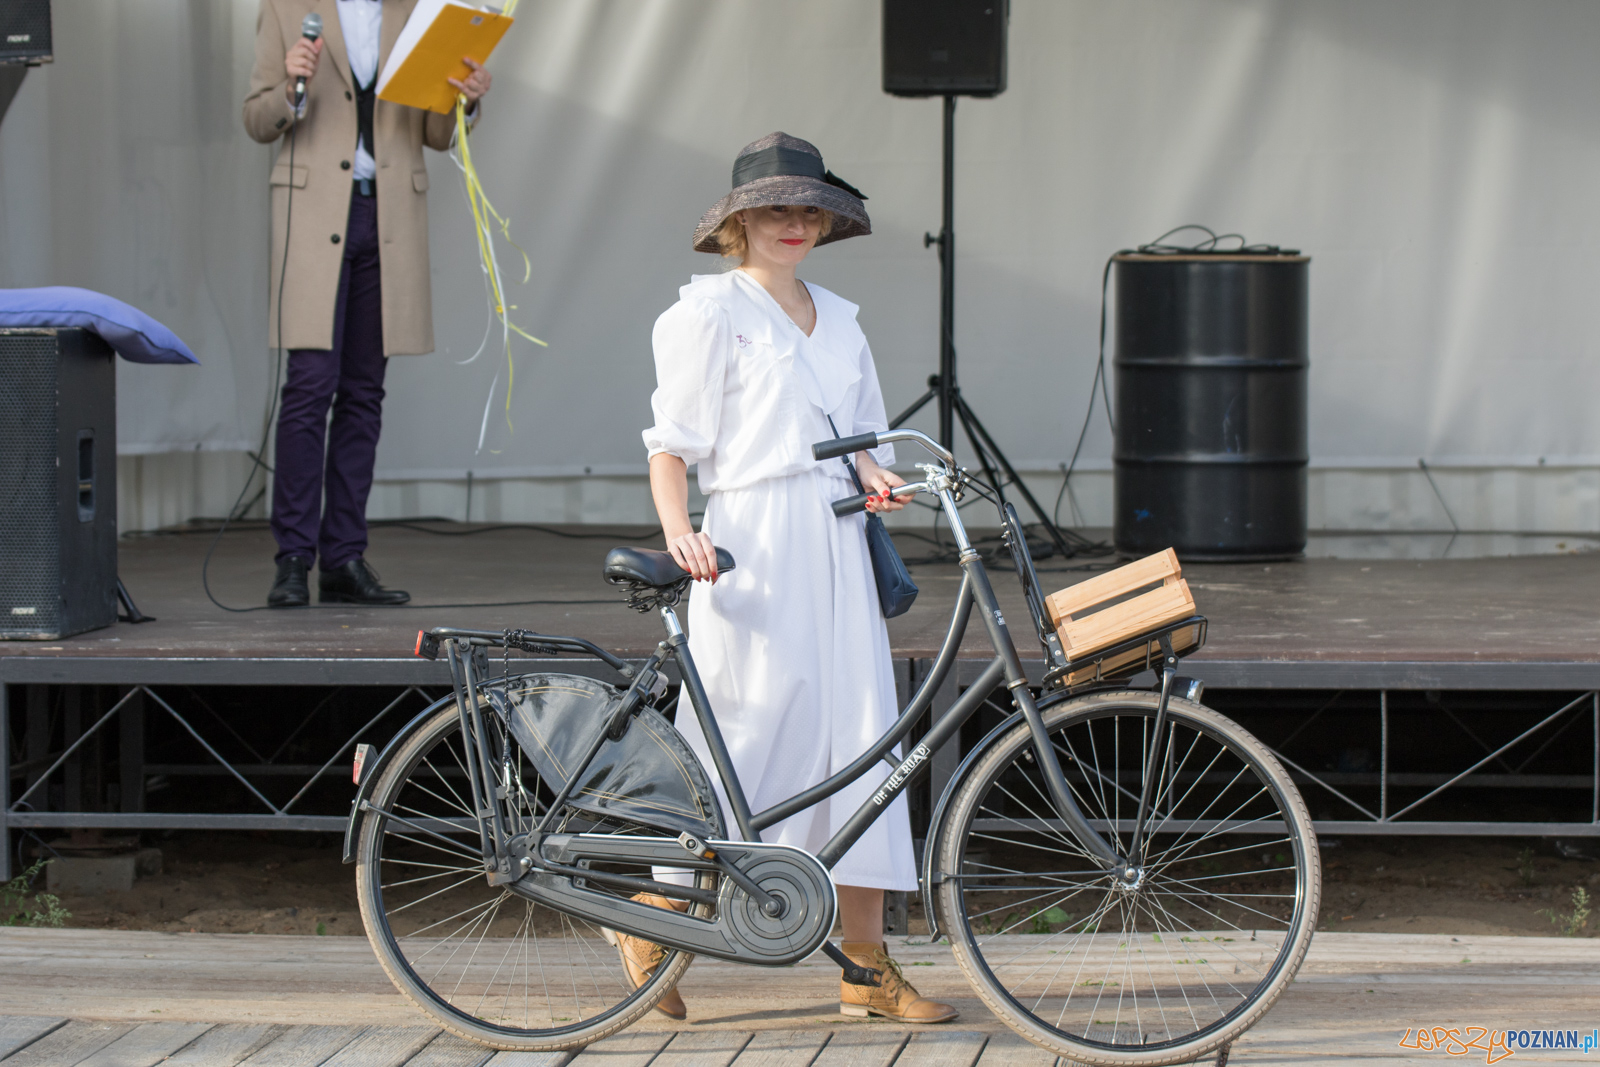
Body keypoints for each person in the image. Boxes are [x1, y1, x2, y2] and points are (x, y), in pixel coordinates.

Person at [625, 132, 957, 1024]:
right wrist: (679, 531)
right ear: (739, 222)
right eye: (777, 207)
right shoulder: (705, 315)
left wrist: (879, 479)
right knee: (745, 734)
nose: (795, 223)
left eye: (807, 207)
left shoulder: (842, 321)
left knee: (861, 742)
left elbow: (865, 444)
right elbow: (671, 446)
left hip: (838, 547)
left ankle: (865, 964)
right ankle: (656, 915)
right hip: (752, 546)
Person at [242, 0, 490, 607]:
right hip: (313, 215)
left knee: (363, 393)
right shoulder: (286, 9)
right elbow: (256, 117)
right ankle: (294, 558)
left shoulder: (417, 13)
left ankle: (344, 557)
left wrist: (468, 96)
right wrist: (293, 86)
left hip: (389, 218)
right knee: (308, 389)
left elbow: (434, 135)